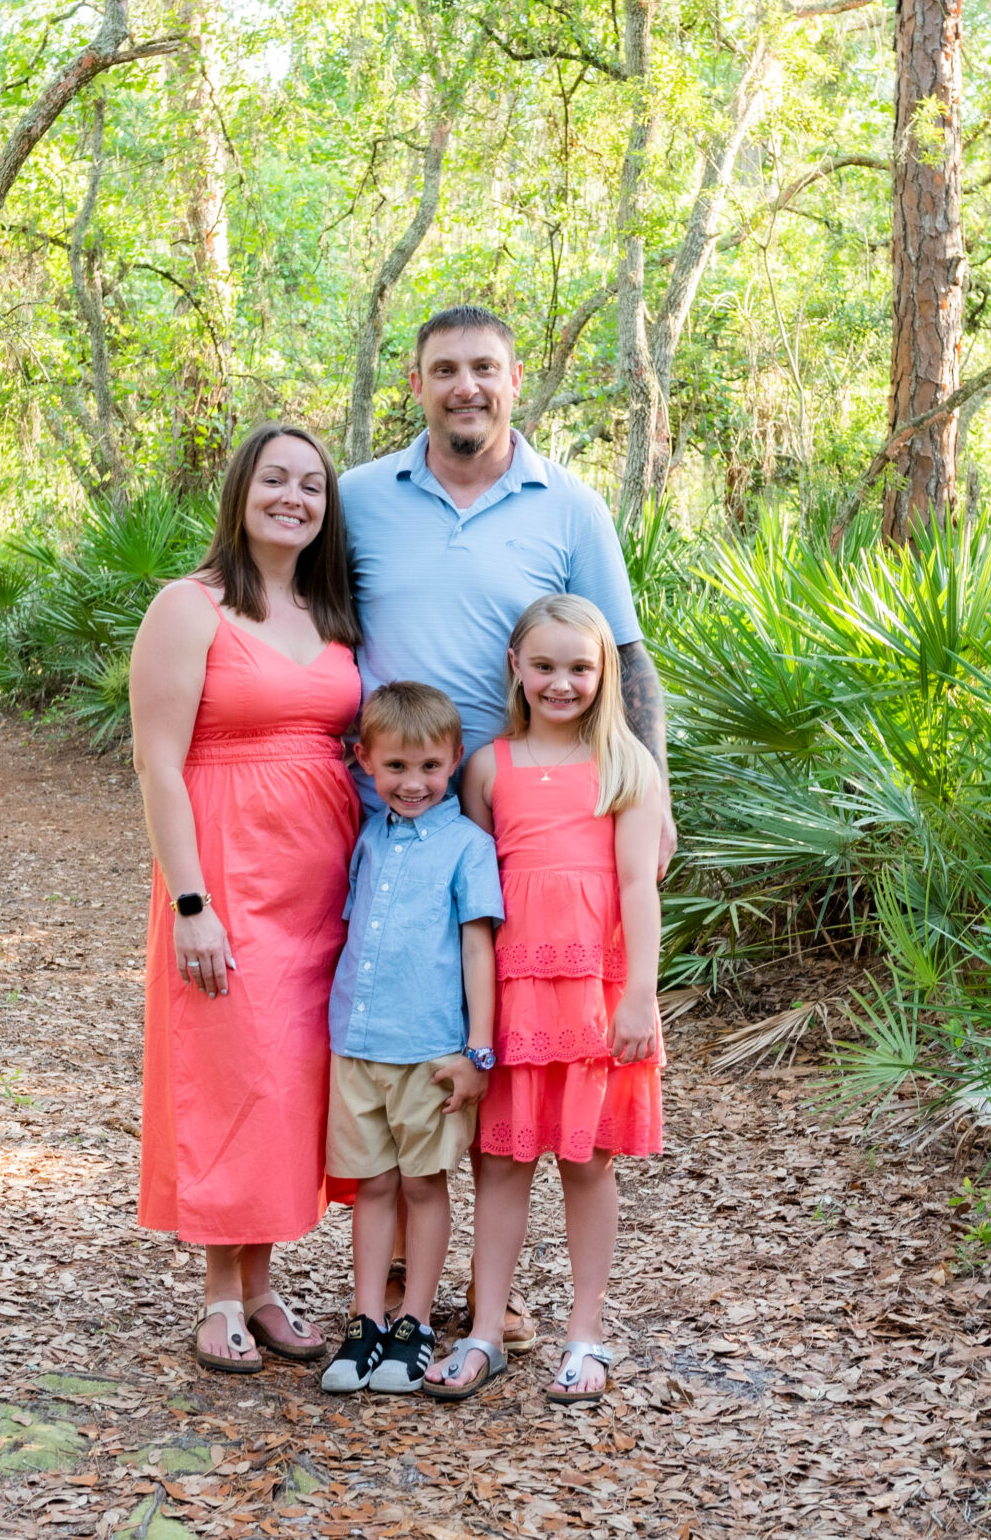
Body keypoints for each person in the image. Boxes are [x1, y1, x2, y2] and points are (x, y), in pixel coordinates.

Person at [340, 303, 676, 1351]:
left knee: (501, 1069)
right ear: (416, 381)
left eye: (483, 367)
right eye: (445, 369)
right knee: (404, 1044)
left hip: (529, 838)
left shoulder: (567, 506)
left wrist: (654, 792)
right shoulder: (357, 499)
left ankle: (492, 1299)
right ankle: (402, 1288)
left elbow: (626, 656)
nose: (465, 386)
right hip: (384, 824)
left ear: (514, 377)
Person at [130, 423, 361, 1375]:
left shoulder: (331, 610)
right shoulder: (191, 607)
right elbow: (156, 760)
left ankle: (263, 1287)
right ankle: (220, 1296)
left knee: (288, 1082)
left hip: (324, 881)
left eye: (311, 485)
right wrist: (192, 901)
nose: (294, 498)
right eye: (276, 479)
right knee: (229, 1066)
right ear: (242, 489)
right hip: (225, 866)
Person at [425, 595, 664, 1405]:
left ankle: (586, 1334)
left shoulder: (628, 766)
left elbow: (638, 883)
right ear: (517, 670)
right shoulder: (490, 766)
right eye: (546, 666)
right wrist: (470, 1010)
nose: (562, 683)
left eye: (581, 668)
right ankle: (485, 1328)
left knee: (587, 1162)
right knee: (500, 1161)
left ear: (605, 676)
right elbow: (474, 890)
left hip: (596, 991)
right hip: (513, 991)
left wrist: (639, 996)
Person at [317, 682, 503, 1397]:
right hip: (358, 1042)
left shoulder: (467, 845)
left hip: (431, 1051)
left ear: (455, 759)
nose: (414, 782)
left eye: (429, 765)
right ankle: (366, 1320)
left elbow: (478, 948)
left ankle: (415, 1321)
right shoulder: (368, 837)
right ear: (365, 761)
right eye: (395, 766)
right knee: (372, 1183)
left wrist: (477, 1049)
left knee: (424, 1184)